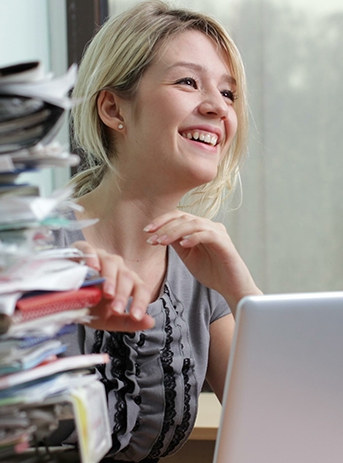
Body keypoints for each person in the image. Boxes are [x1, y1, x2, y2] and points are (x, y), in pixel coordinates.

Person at [54, 2, 261, 461]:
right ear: (113, 108)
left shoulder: (202, 269)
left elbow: (282, 421)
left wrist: (241, 290)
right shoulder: (30, 248)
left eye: (228, 93)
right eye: (188, 82)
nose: (217, 108)